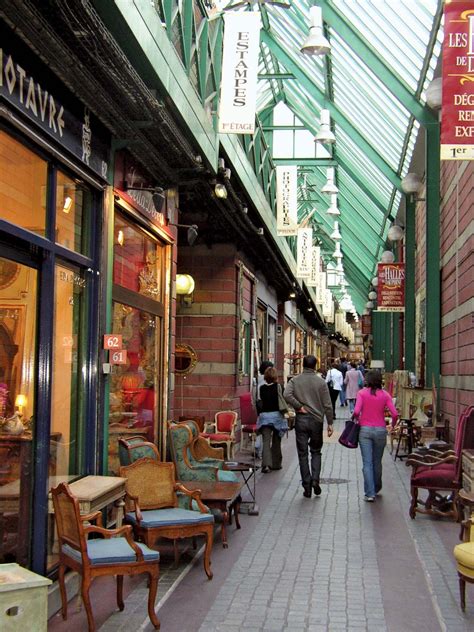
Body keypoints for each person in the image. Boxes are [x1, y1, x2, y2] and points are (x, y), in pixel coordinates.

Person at [284, 355, 333, 498]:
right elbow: (328, 405)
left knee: (302, 453)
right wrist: (329, 422)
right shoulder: (321, 382)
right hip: (317, 420)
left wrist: (298, 406)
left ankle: (307, 485)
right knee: (316, 451)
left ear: (303, 365)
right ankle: (315, 480)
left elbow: (286, 394)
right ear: (315, 366)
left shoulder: (295, 380)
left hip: (302, 420)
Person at [353, 370, 398, 502]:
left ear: (367, 381)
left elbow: (356, 411)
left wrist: (356, 418)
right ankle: (377, 487)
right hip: (380, 430)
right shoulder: (385, 395)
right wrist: (393, 425)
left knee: (367, 462)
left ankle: (370, 493)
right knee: (377, 461)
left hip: (365, 430)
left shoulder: (361, 393)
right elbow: (394, 414)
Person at [257, 366, 288, 473]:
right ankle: (276, 464)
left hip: (265, 417)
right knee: (276, 440)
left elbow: (259, 402)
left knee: (266, 441)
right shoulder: (279, 387)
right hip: (277, 417)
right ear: (275, 376)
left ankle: (266, 465)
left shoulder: (261, 388)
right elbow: (283, 400)